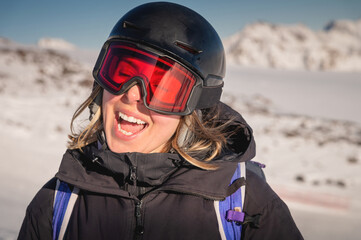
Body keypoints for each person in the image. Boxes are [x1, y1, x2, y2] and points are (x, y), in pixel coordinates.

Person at [18, 2, 303, 240]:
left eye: (164, 88)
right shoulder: (57, 202)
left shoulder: (246, 204)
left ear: (195, 109)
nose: (131, 94)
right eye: (120, 71)